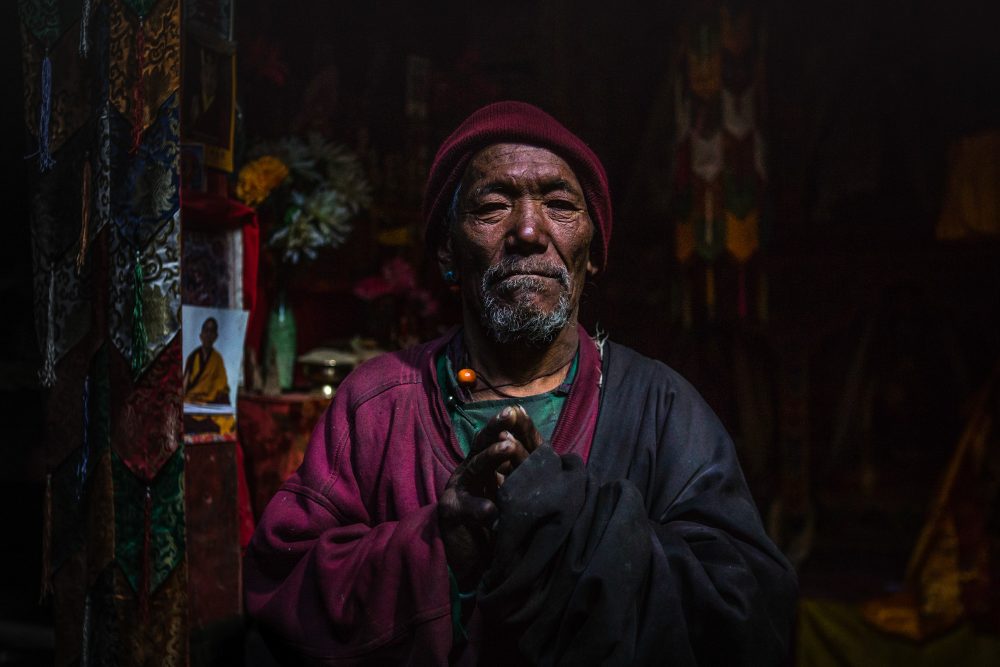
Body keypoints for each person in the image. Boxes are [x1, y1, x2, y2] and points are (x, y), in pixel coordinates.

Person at [244, 101, 797, 665]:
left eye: (559, 205)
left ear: (595, 252)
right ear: (446, 251)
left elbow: (750, 615)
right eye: (491, 206)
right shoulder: (378, 403)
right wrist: (440, 547)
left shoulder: (662, 408)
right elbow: (279, 592)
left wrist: (570, 522)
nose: (529, 231)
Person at [183, 317, 234, 435]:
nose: (208, 335)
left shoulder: (217, 359)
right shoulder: (193, 357)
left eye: (212, 331)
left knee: (227, 423)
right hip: (192, 405)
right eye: (206, 331)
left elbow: (222, 389)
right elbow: (184, 385)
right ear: (201, 335)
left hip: (210, 407)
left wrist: (225, 410)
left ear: (216, 336)